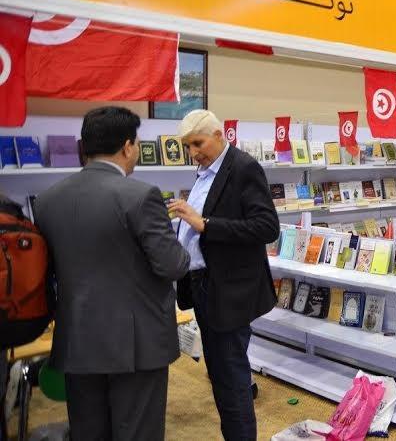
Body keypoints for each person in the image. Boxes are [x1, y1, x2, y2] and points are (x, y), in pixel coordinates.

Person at [34, 107, 190, 440]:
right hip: (136, 344)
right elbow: (173, 264)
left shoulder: (46, 201)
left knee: (88, 431)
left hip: (76, 338)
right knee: (138, 432)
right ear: (128, 147)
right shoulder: (141, 196)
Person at [169, 109, 279, 441]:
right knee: (220, 373)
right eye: (188, 146)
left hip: (229, 291)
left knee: (230, 378)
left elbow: (266, 227)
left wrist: (204, 224)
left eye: (198, 144)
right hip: (205, 285)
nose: (193, 153)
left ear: (219, 135)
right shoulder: (205, 172)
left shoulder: (244, 168)